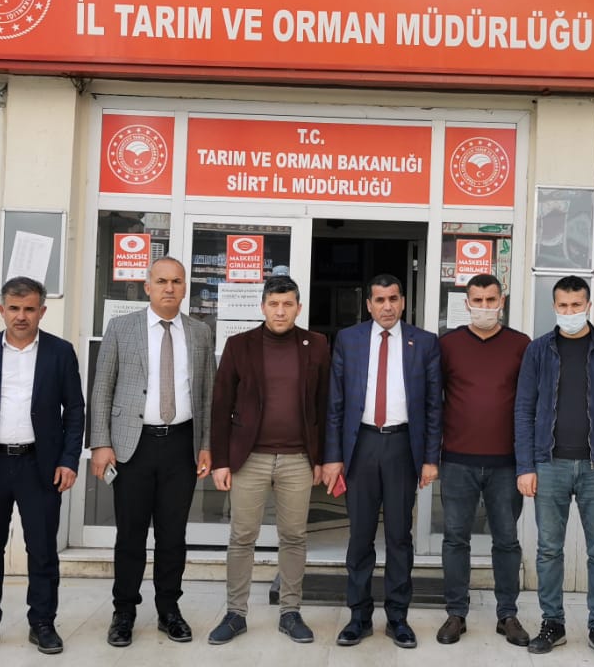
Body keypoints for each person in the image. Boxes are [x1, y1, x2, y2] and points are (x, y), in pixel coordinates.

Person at [0, 276, 85, 656]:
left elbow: (74, 411)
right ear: (1, 310)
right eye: (14, 308)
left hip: (39, 466)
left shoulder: (60, 352)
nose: (21, 316)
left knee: (42, 550)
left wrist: (68, 460)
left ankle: (42, 623)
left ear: (42, 311)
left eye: (29, 309)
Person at [87, 256, 217, 647]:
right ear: (147, 286)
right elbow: (102, 387)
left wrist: (207, 445)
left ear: (185, 287)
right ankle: (124, 611)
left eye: (176, 281)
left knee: (173, 535)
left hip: (181, 444)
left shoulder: (200, 332)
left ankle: (169, 610)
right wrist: (100, 443)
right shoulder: (121, 328)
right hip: (133, 445)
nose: (169, 288)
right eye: (161, 281)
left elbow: (208, 394)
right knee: (130, 534)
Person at [514, 275, 594, 661]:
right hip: (548, 463)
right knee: (549, 550)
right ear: (554, 307)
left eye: (576, 305)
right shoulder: (538, 350)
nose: (570, 312)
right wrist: (525, 465)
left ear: (588, 305)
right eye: (563, 306)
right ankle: (553, 623)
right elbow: (524, 409)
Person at [206, 276, 329, 645]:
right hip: (250, 458)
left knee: (294, 536)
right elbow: (221, 405)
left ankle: (290, 612)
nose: (280, 311)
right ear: (262, 307)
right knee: (242, 536)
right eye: (273, 304)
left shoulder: (316, 344)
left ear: (298, 308)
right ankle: (235, 614)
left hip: (298, 459)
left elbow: (324, 405)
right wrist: (221, 461)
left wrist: (322, 458)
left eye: (287, 304)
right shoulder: (239, 345)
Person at [322, 273, 442, 649]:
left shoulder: (424, 342)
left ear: (402, 302)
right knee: (360, 536)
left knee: (399, 536)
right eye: (379, 300)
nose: (387, 306)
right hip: (361, 446)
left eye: (393, 299)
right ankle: (358, 617)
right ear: (369, 304)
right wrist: (333, 457)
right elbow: (335, 403)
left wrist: (430, 458)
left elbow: (434, 405)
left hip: (403, 446)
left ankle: (397, 618)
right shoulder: (349, 339)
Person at [435, 274, 532, 647]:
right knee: (455, 539)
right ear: (467, 303)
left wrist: (528, 461)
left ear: (501, 301)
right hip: (457, 461)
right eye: (477, 300)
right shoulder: (449, 345)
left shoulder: (521, 345)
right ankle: (455, 613)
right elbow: (434, 400)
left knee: (506, 540)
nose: (485, 307)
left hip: (507, 463)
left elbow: (530, 404)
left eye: (491, 300)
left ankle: (507, 614)